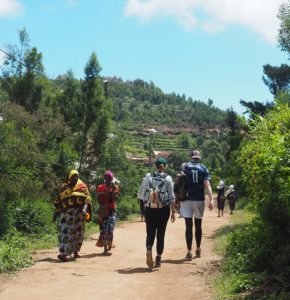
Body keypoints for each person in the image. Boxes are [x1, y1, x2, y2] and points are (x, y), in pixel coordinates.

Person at [140, 157, 175, 270]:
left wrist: (144, 208)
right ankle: (158, 258)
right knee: (161, 233)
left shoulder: (148, 176)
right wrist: (173, 211)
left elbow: (142, 195)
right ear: (165, 166)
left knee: (150, 232)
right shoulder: (168, 178)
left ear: (155, 166)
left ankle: (149, 249)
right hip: (163, 210)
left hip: (150, 209)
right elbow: (171, 197)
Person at [179, 150, 214, 260]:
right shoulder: (204, 168)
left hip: (186, 199)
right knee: (198, 225)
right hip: (199, 199)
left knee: (188, 226)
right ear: (199, 157)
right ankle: (198, 249)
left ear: (191, 157)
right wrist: (212, 199)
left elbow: (179, 183)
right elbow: (207, 185)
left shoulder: (185, 167)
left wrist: (177, 199)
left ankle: (189, 252)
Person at [54, 169, 92, 262]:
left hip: (79, 214)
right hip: (66, 214)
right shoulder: (64, 187)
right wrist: (56, 212)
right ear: (69, 177)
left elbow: (87, 200)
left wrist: (84, 210)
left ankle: (75, 251)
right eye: (73, 177)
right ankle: (63, 254)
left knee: (78, 233)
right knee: (65, 233)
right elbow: (59, 200)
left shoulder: (82, 186)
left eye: (77, 177)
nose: (75, 178)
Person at [95, 170, 119, 256]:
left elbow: (115, 199)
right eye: (107, 178)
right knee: (103, 230)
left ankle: (109, 248)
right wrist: (102, 208)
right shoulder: (100, 187)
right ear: (104, 178)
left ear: (112, 179)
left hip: (111, 211)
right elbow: (98, 199)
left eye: (110, 178)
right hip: (102, 212)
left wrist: (112, 190)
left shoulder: (115, 187)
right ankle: (105, 248)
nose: (108, 180)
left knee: (110, 230)